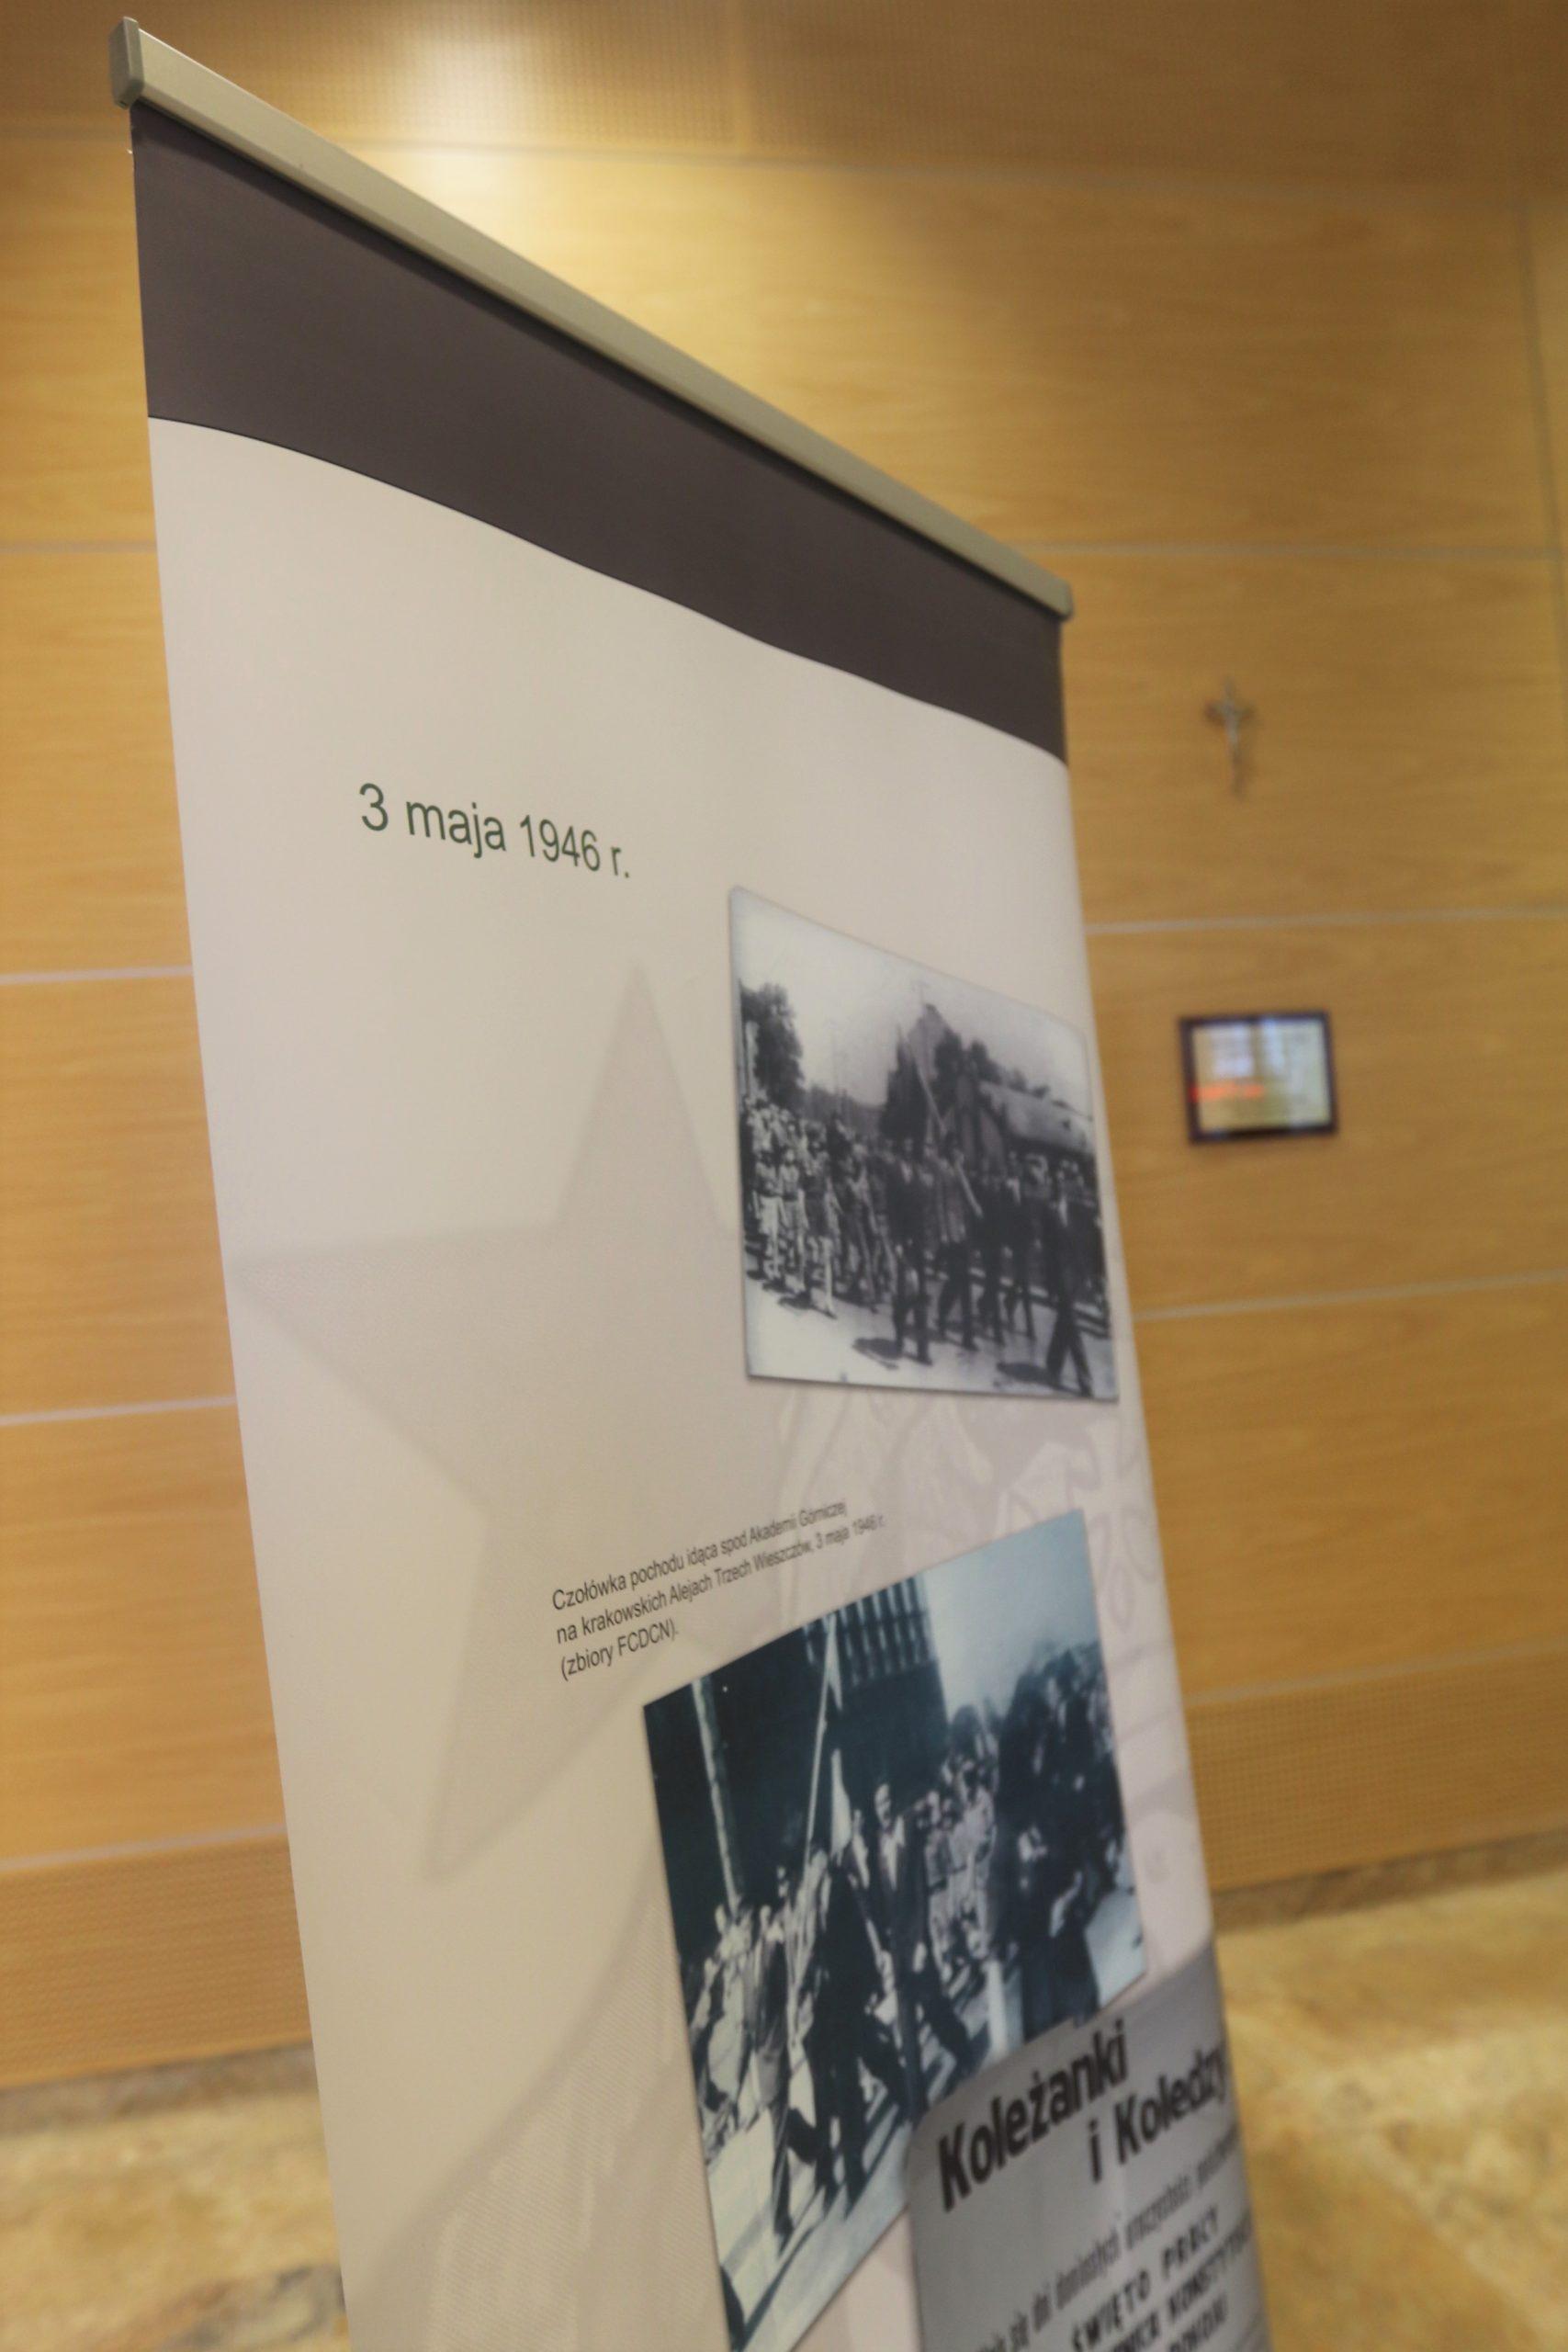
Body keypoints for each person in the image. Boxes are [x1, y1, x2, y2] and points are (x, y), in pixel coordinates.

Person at [867, 1778, 973, 2120]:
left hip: (917, 1947)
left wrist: (922, 1943)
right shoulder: (877, 1846)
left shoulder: (908, 1833)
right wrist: (886, 1950)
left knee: (935, 2011)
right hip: (898, 1954)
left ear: (894, 1802)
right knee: (908, 2034)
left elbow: (920, 1892)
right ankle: (919, 2113)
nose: (883, 1809)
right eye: (878, 1804)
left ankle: (964, 2048)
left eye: (887, 1801)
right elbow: (882, 1904)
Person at [737, 1886, 823, 2254]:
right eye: (738, 1930)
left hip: (777, 2057)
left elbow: (787, 1998)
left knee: (777, 2140)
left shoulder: (772, 1953)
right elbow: (746, 2028)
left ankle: (780, 2221)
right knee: (784, 2127)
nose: (742, 1935)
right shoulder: (744, 1972)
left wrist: (790, 2036)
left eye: (745, 1927)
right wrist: (737, 2086)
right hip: (762, 2068)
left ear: (756, 1924)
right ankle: (816, 2146)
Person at [1037, 1169, 1094, 1397]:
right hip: (1059, 1276)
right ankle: (1084, 1380)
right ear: (1051, 1187)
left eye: (1062, 1183)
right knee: (1072, 1325)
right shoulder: (1047, 1211)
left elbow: (1078, 1244)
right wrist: (1049, 1285)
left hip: (1073, 1274)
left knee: (1064, 1322)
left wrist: (1085, 1275)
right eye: (1055, 1183)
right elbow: (1047, 1252)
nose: (1059, 1187)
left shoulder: (1073, 1209)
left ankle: (1053, 1362)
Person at [885, 1143, 933, 1365]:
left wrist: (924, 1182)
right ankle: (899, 1333)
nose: (908, 1149)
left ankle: (923, 1349)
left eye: (911, 1146)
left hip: (918, 1241)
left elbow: (924, 1205)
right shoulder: (893, 1172)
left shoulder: (917, 1171)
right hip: (903, 1242)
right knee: (905, 1293)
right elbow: (891, 1211)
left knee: (921, 1294)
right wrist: (896, 1241)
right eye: (904, 1145)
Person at [932, 1139, 979, 1351]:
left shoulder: (960, 1171)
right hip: (950, 1233)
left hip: (962, 1230)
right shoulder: (941, 1171)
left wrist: (976, 1209)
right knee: (955, 1281)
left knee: (965, 1281)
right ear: (948, 1151)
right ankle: (942, 1314)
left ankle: (968, 1336)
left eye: (958, 1149)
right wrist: (943, 1232)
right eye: (953, 1149)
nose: (956, 1152)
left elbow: (968, 1194)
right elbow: (939, 1203)